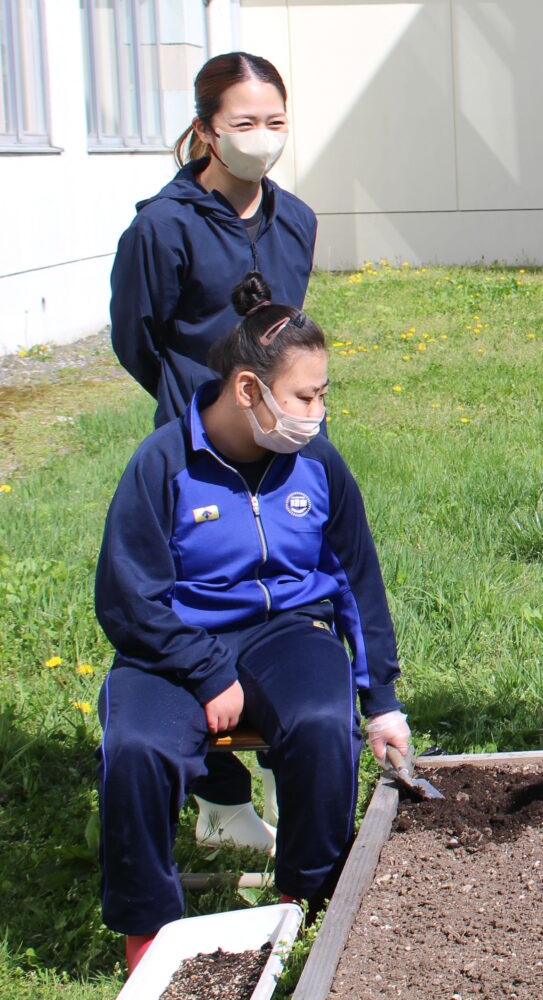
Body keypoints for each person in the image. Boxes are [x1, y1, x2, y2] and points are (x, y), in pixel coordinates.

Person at [95, 272, 408, 972]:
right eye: (305, 396)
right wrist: (206, 671)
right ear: (247, 390)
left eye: (323, 394)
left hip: (287, 633)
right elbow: (125, 599)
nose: (317, 412)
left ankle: (308, 898)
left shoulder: (318, 463)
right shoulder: (162, 463)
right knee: (136, 746)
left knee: (326, 726)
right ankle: (148, 931)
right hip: (172, 646)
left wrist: (381, 702)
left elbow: (359, 581)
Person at [109, 52, 318, 848]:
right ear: (205, 130)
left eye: (275, 123)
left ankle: (283, 742)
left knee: (286, 592)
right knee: (192, 600)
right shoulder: (161, 227)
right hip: (198, 445)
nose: (261, 139)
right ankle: (219, 797)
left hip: (283, 441)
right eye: (243, 124)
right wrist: (193, 413)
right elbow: (137, 337)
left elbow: (291, 330)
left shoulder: (295, 218)